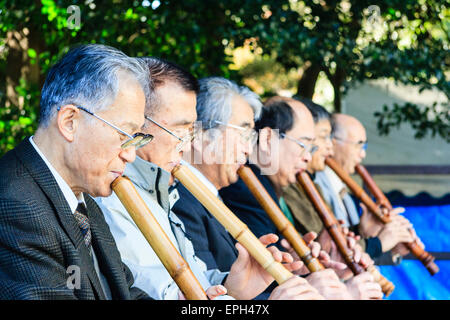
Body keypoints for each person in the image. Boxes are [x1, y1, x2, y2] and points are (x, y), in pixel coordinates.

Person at [96, 60, 314, 300]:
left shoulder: (160, 192)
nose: (188, 143)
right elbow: (161, 292)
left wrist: (233, 287)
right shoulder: (112, 194)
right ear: (138, 125)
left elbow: (198, 283)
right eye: (182, 130)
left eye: (192, 131)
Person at [0, 44, 153, 300]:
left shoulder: (83, 200)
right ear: (70, 121)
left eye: (136, 138)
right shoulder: (14, 205)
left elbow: (123, 292)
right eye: (124, 135)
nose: (131, 155)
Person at [219, 97, 378, 299]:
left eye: (311, 148)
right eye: (303, 144)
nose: (308, 157)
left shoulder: (270, 188)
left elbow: (268, 277)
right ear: (268, 139)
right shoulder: (244, 191)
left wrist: (317, 268)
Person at [317, 113, 417, 264]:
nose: (362, 154)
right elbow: (332, 255)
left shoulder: (345, 194)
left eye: (365, 146)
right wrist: (379, 243)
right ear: (333, 142)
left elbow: (353, 247)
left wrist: (366, 232)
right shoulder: (317, 185)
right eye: (358, 145)